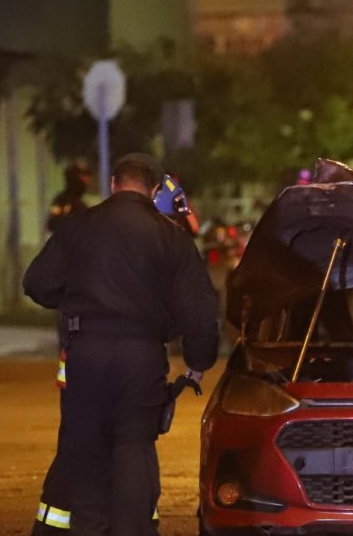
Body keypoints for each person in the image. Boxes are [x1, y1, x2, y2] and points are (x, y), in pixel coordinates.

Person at [26, 153, 220, 535]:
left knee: (85, 451)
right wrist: (199, 362)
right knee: (134, 448)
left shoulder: (78, 225)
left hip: (86, 354)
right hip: (141, 359)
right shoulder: (173, 238)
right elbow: (198, 312)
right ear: (154, 190)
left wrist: (76, 300)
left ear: (113, 184)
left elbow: (37, 284)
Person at [46, 162, 91, 233]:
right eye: (83, 178)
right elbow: (52, 223)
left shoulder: (80, 203)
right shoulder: (62, 200)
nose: (87, 182)